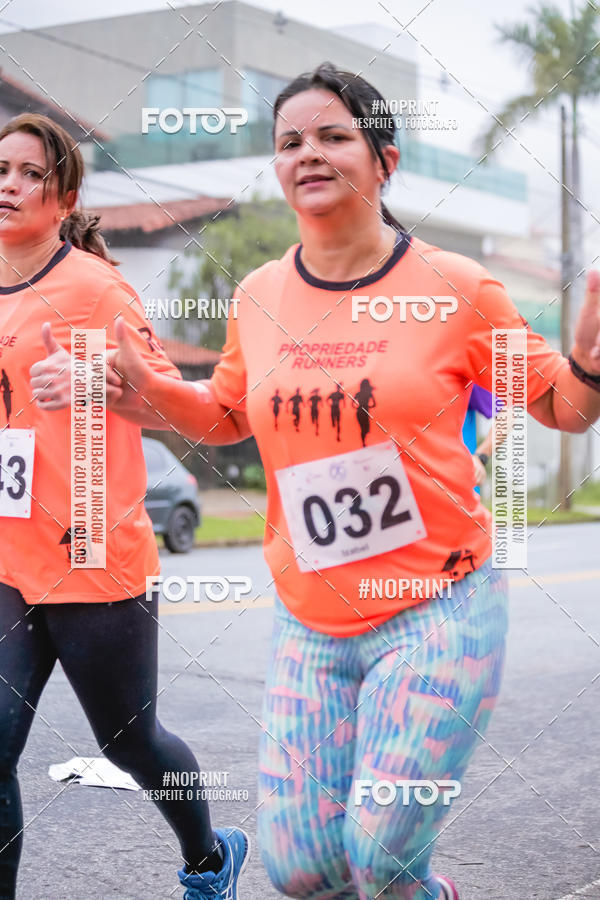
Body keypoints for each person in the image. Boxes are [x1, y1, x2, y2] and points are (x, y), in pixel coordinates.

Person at [48, 64, 600, 900]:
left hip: (439, 612)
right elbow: (228, 415)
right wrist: (151, 396)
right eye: (290, 142)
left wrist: (592, 364)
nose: (309, 152)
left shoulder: (457, 288)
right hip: (312, 623)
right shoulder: (262, 295)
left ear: (385, 159)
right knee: (304, 870)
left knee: (380, 856)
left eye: (334, 135)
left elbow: (561, 405)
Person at [0, 113, 248, 900]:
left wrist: (97, 379)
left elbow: (166, 398)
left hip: (92, 553)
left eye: (28, 173)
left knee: (130, 739)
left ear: (64, 193)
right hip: (9, 555)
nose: (7, 184)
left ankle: (210, 859)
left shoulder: (97, 288)